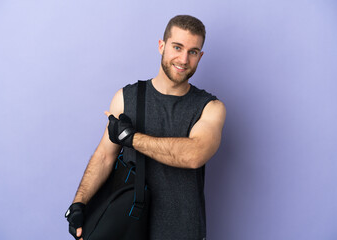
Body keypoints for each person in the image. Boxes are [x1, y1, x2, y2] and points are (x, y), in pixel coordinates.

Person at [65, 15, 226, 240]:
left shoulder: (210, 107)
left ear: (200, 56)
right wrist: (78, 204)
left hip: (183, 231)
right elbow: (104, 157)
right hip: (127, 227)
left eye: (193, 51)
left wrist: (131, 138)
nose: (183, 59)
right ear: (161, 46)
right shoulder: (127, 98)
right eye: (177, 47)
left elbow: (194, 154)